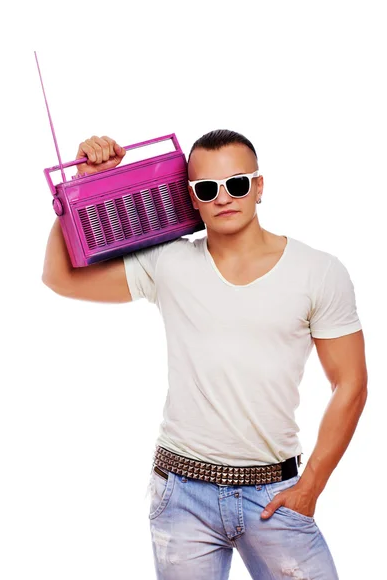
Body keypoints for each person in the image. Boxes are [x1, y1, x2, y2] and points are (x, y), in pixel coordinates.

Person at [42, 129, 367, 580]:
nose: (223, 198)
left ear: (258, 186)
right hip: (181, 494)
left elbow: (349, 383)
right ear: (192, 198)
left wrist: (311, 486)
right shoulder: (169, 264)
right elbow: (60, 277)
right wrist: (80, 188)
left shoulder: (318, 272)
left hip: (273, 493)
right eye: (207, 189)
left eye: (236, 184)